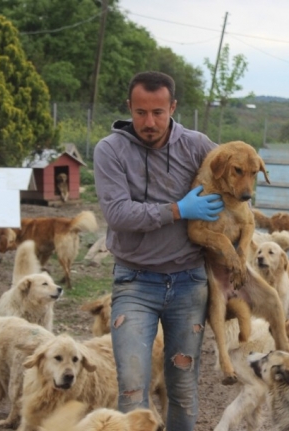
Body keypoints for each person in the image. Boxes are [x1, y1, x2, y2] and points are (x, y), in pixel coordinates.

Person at [93, 71, 223, 431]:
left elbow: (234, 178)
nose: (149, 122)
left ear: (173, 108)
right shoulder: (110, 150)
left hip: (188, 282)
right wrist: (179, 210)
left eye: (158, 113)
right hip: (135, 281)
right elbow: (118, 214)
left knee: (182, 386)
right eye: (140, 113)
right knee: (133, 386)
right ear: (129, 108)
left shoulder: (197, 146)